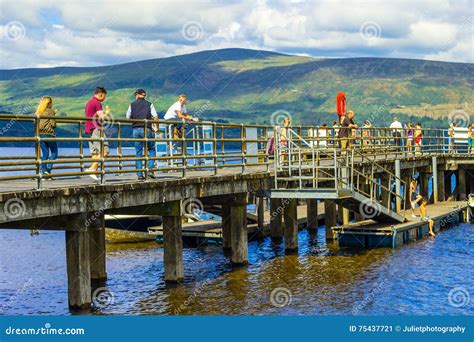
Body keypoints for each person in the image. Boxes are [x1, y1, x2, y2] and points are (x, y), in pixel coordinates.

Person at [126, 89, 159, 180]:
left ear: (137, 95)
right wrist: (157, 127)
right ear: (144, 96)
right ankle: (150, 171)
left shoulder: (132, 105)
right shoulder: (149, 104)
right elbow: (155, 117)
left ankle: (140, 175)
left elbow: (127, 117)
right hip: (147, 129)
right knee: (151, 149)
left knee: (138, 152)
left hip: (136, 129)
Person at [84, 87, 110, 180]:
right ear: (101, 94)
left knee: (95, 152)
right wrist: (106, 113)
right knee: (105, 150)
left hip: (88, 128)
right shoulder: (97, 103)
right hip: (96, 128)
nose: (104, 98)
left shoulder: (89, 102)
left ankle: (94, 173)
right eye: (104, 96)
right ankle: (91, 169)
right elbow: (102, 117)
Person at [35, 96, 58, 176]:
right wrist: (54, 115)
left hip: (40, 135)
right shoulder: (50, 111)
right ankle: (48, 168)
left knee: (45, 154)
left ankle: (43, 171)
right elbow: (53, 124)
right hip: (49, 134)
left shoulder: (38, 112)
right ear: (49, 103)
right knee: (55, 153)